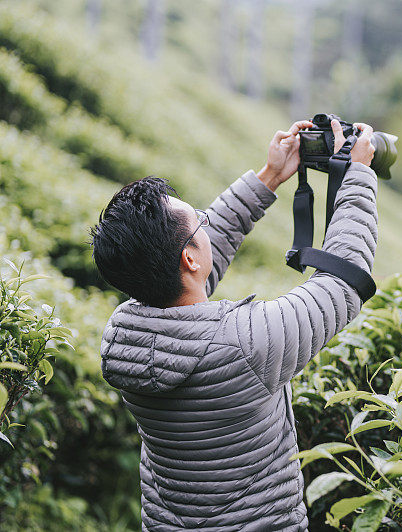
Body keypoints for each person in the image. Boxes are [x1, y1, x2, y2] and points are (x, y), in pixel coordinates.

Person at [90, 119, 378, 531]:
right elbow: (341, 286)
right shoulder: (245, 345)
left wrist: (270, 176)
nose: (208, 224)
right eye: (200, 221)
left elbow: (190, 269)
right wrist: (359, 176)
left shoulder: (124, 336)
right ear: (189, 258)